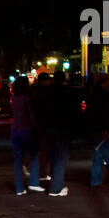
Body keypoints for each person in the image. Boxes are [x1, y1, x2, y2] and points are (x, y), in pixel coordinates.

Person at [40, 69, 76, 197]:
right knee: (61, 157)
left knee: (54, 156)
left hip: (49, 128)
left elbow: (41, 110)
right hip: (63, 128)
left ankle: (56, 184)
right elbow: (73, 112)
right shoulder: (67, 92)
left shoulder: (46, 92)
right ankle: (56, 187)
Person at [85, 74, 109, 186]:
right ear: (103, 82)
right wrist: (106, 128)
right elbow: (104, 114)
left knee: (98, 155)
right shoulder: (103, 95)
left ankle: (96, 180)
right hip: (105, 130)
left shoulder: (94, 94)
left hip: (98, 129)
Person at [10, 76, 41, 195]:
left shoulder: (13, 98)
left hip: (15, 130)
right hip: (27, 130)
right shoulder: (27, 99)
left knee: (17, 159)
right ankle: (33, 182)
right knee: (33, 156)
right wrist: (37, 128)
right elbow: (31, 115)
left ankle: (19, 188)